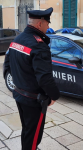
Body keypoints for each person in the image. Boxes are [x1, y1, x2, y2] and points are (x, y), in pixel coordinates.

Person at [7, 7, 60, 150]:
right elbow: (44, 78)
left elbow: (7, 66)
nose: (48, 26)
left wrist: (17, 84)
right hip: (33, 100)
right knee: (34, 136)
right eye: (47, 23)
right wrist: (54, 95)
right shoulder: (39, 46)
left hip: (19, 94)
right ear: (40, 24)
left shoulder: (17, 39)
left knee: (27, 130)